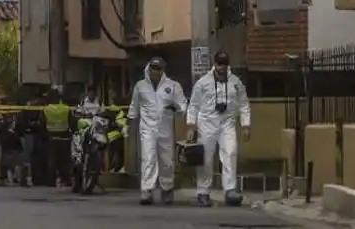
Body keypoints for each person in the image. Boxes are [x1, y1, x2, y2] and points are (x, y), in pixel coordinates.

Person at [186, 51, 251, 207]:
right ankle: (203, 192)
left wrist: (246, 125)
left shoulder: (235, 82)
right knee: (206, 159)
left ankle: (230, 190)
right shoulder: (203, 83)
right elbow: (193, 105)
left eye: (224, 64)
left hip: (227, 122)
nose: (222, 67)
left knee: (231, 152)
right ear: (214, 64)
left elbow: (244, 104)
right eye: (219, 64)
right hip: (206, 123)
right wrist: (191, 125)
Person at [127, 57, 187, 205]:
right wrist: (129, 124)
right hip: (147, 129)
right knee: (148, 158)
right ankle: (147, 191)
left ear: (163, 70)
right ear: (149, 68)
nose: (156, 71)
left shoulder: (172, 86)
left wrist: (177, 109)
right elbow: (134, 107)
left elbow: (183, 105)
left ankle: (167, 189)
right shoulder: (140, 86)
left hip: (165, 128)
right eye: (154, 68)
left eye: (159, 69)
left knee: (166, 160)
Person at [43, 89, 72, 187]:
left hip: (52, 136)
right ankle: (66, 179)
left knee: (52, 160)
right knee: (64, 160)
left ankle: (51, 181)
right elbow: (71, 121)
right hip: (64, 137)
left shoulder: (47, 109)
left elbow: (42, 122)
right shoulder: (66, 108)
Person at [15, 97, 43, 186]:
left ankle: (23, 178)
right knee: (26, 156)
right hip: (26, 135)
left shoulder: (25, 112)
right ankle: (23, 178)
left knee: (27, 157)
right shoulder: (26, 113)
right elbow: (22, 125)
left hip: (26, 134)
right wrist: (33, 126)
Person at [106, 96, 128, 173]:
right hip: (113, 136)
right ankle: (115, 167)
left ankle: (117, 167)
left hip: (119, 136)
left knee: (120, 150)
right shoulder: (113, 111)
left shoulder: (122, 113)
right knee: (118, 149)